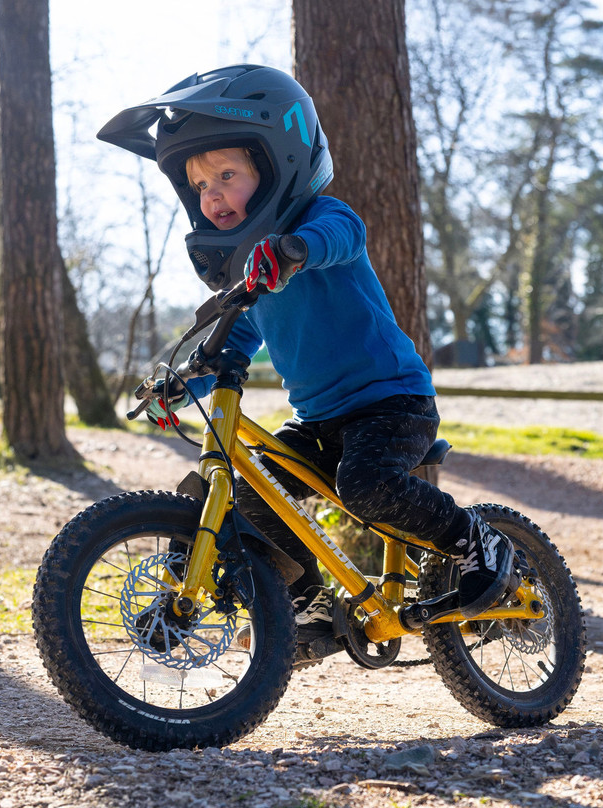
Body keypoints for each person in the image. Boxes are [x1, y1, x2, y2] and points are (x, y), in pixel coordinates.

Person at [98, 64, 516, 645]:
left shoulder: (323, 219)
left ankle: (476, 539)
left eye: (226, 173)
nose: (213, 193)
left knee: (365, 485)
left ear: (277, 165)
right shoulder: (251, 273)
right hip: (319, 420)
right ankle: (309, 601)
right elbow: (234, 341)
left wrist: (293, 249)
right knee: (252, 491)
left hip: (392, 404)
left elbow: (340, 239)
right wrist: (182, 383)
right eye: (200, 186)